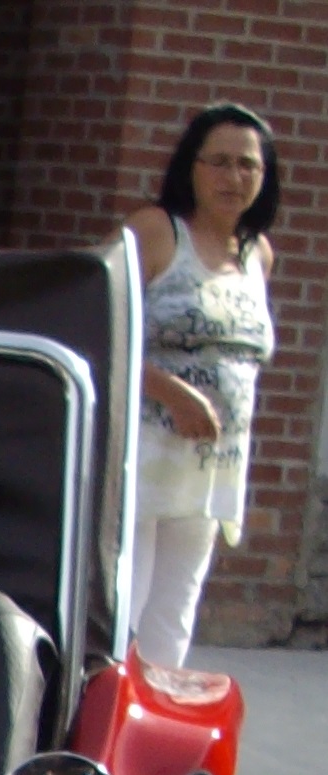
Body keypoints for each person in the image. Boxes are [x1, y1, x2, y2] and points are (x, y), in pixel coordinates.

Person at [125, 105, 278, 668]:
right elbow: (95, 333)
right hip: (141, 460)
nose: (233, 178)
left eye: (247, 165)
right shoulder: (155, 232)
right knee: (124, 611)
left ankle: (154, 741)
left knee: (173, 618)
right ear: (191, 167)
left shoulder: (257, 253)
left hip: (211, 471)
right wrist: (171, 391)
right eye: (218, 162)